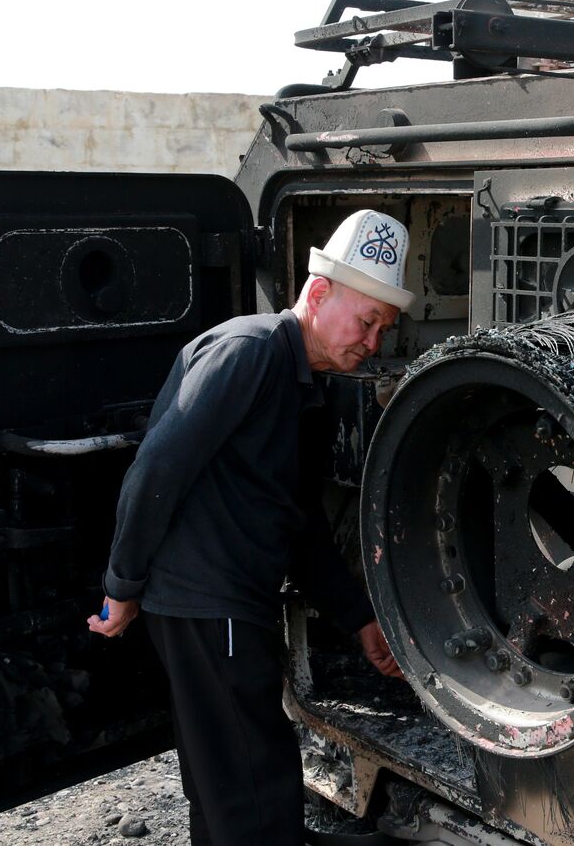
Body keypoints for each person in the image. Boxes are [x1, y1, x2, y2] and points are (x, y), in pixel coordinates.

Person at [87, 210, 417, 846]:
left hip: (221, 609)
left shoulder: (305, 385)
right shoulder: (251, 353)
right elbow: (158, 466)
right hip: (210, 607)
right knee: (256, 788)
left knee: (224, 787)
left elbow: (298, 521)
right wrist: (121, 585)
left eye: (384, 328)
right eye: (367, 321)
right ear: (319, 294)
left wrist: (359, 619)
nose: (373, 342)